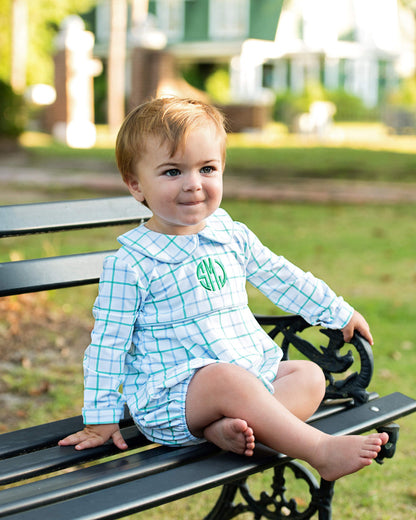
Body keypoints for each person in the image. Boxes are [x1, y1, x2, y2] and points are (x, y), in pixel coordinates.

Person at [59, 97, 388, 481]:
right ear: (136, 185)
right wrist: (100, 418)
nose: (193, 184)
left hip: (246, 376)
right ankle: (319, 450)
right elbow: (106, 344)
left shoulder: (229, 235)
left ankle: (225, 432)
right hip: (175, 397)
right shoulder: (132, 263)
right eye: (172, 172)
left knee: (310, 376)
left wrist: (337, 311)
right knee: (223, 378)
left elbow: (280, 275)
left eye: (207, 168)